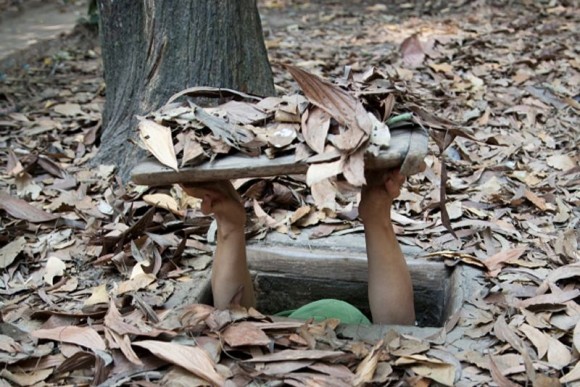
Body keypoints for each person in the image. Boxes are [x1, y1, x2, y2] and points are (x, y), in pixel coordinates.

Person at [181, 168, 415, 325]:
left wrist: (229, 226)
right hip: (344, 338)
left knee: (236, 329)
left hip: (280, 341)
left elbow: (233, 325)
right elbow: (399, 335)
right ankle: (377, 213)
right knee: (395, 338)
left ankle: (229, 223)